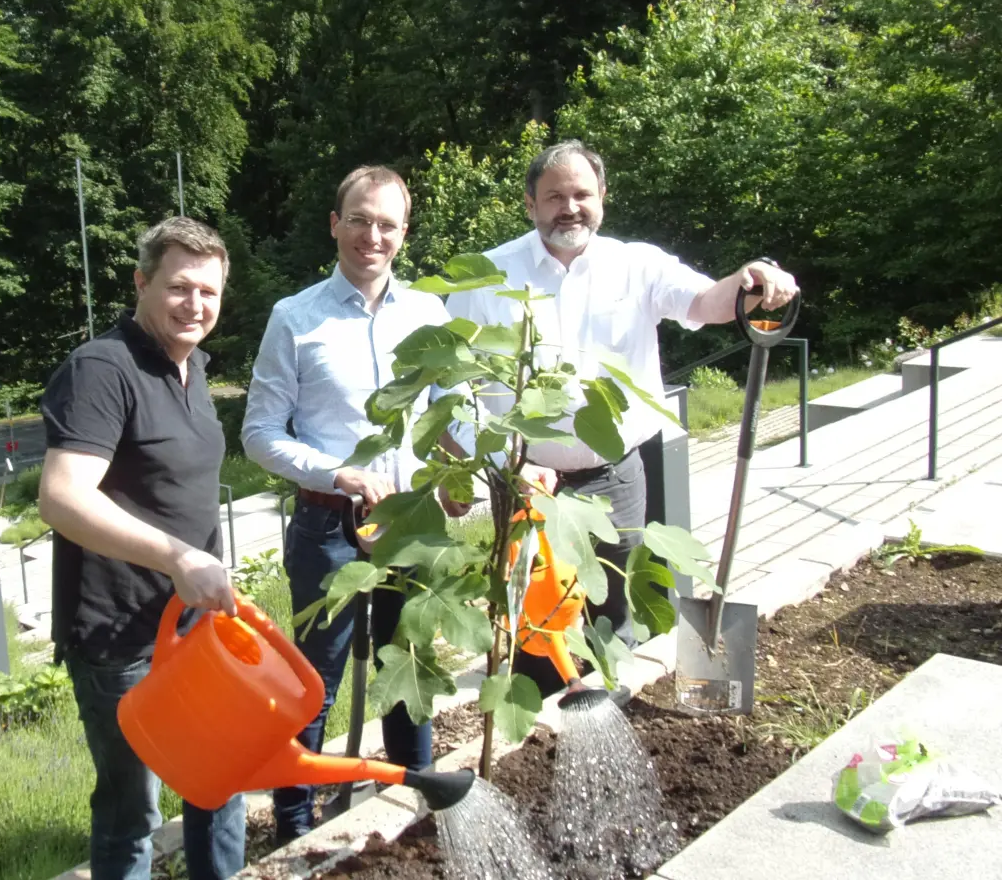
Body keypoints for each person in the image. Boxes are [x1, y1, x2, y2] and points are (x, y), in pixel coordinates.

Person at [445, 139, 799, 695]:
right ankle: (537, 731)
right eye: (554, 195)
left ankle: (612, 708)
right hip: (528, 483)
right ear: (530, 203)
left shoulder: (636, 264)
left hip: (617, 478)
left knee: (613, 617)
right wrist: (496, 463)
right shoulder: (488, 275)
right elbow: (452, 383)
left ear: (603, 197)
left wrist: (749, 282)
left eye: (582, 193)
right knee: (537, 626)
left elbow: (705, 302)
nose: (570, 206)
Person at [242, 165, 461, 843]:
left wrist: (466, 468)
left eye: (388, 224)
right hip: (327, 524)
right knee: (313, 678)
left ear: (404, 232)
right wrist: (340, 474)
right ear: (335, 224)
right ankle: (293, 821)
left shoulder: (429, 314)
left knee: (409, 664)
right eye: (360, 220)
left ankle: (417, 800)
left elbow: (449, 413)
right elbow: (258, 434)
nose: (373, 236)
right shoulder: (295, 317)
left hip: (413, 519)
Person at [37, 216, 244, 880]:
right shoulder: (104, 368)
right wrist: (179, 558)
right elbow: (64, 497)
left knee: (219, 778)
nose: (195, 305)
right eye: (180, 287)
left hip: (192, 626)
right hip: (120, 636)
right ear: (141, 282)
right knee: (133, 815)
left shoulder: (193, 368)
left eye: (209, 292)